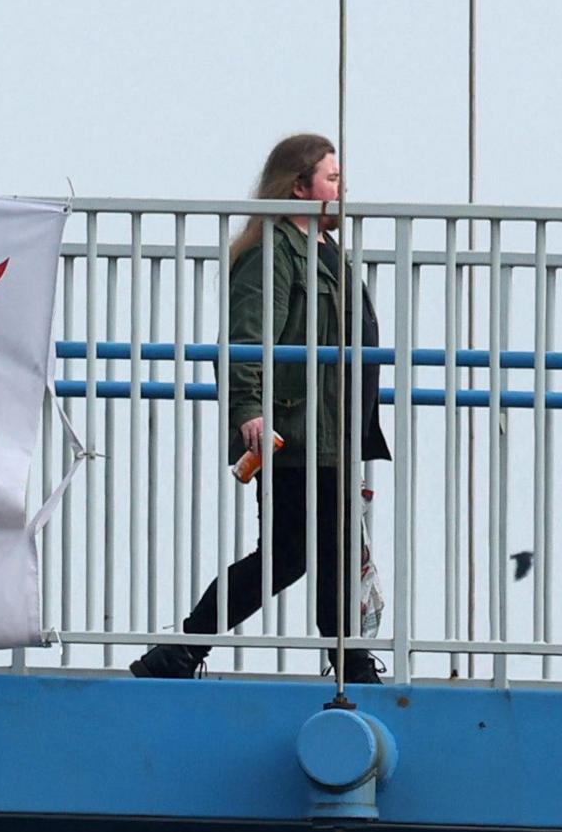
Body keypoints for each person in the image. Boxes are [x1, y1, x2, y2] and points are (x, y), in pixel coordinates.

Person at [133, 133, 389, 683]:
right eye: (332, 180)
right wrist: (250, 408)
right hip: (293, 430)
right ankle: (184, 650)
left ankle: (342, 659)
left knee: (324, 551)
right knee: (292, 555)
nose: (342, 191)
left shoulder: (327, 253)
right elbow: (246, 338)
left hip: (332, 430)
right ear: (299, 188)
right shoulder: (274, 253)